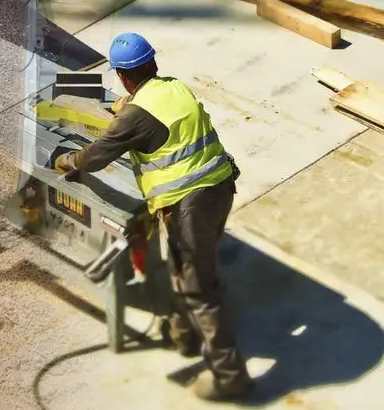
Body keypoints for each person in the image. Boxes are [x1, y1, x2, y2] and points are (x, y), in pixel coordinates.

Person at [54, 33, 254, 401]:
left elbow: (95, 158)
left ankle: (230, 375)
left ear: (122, 76)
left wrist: (66, 160)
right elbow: (155, 118)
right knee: (186, 267)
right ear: (152, 63)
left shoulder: (135, 116)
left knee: (197, 286)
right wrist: (128, 109)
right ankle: (185, 333)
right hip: (221, 187)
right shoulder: (172, 88)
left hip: (189, 204)